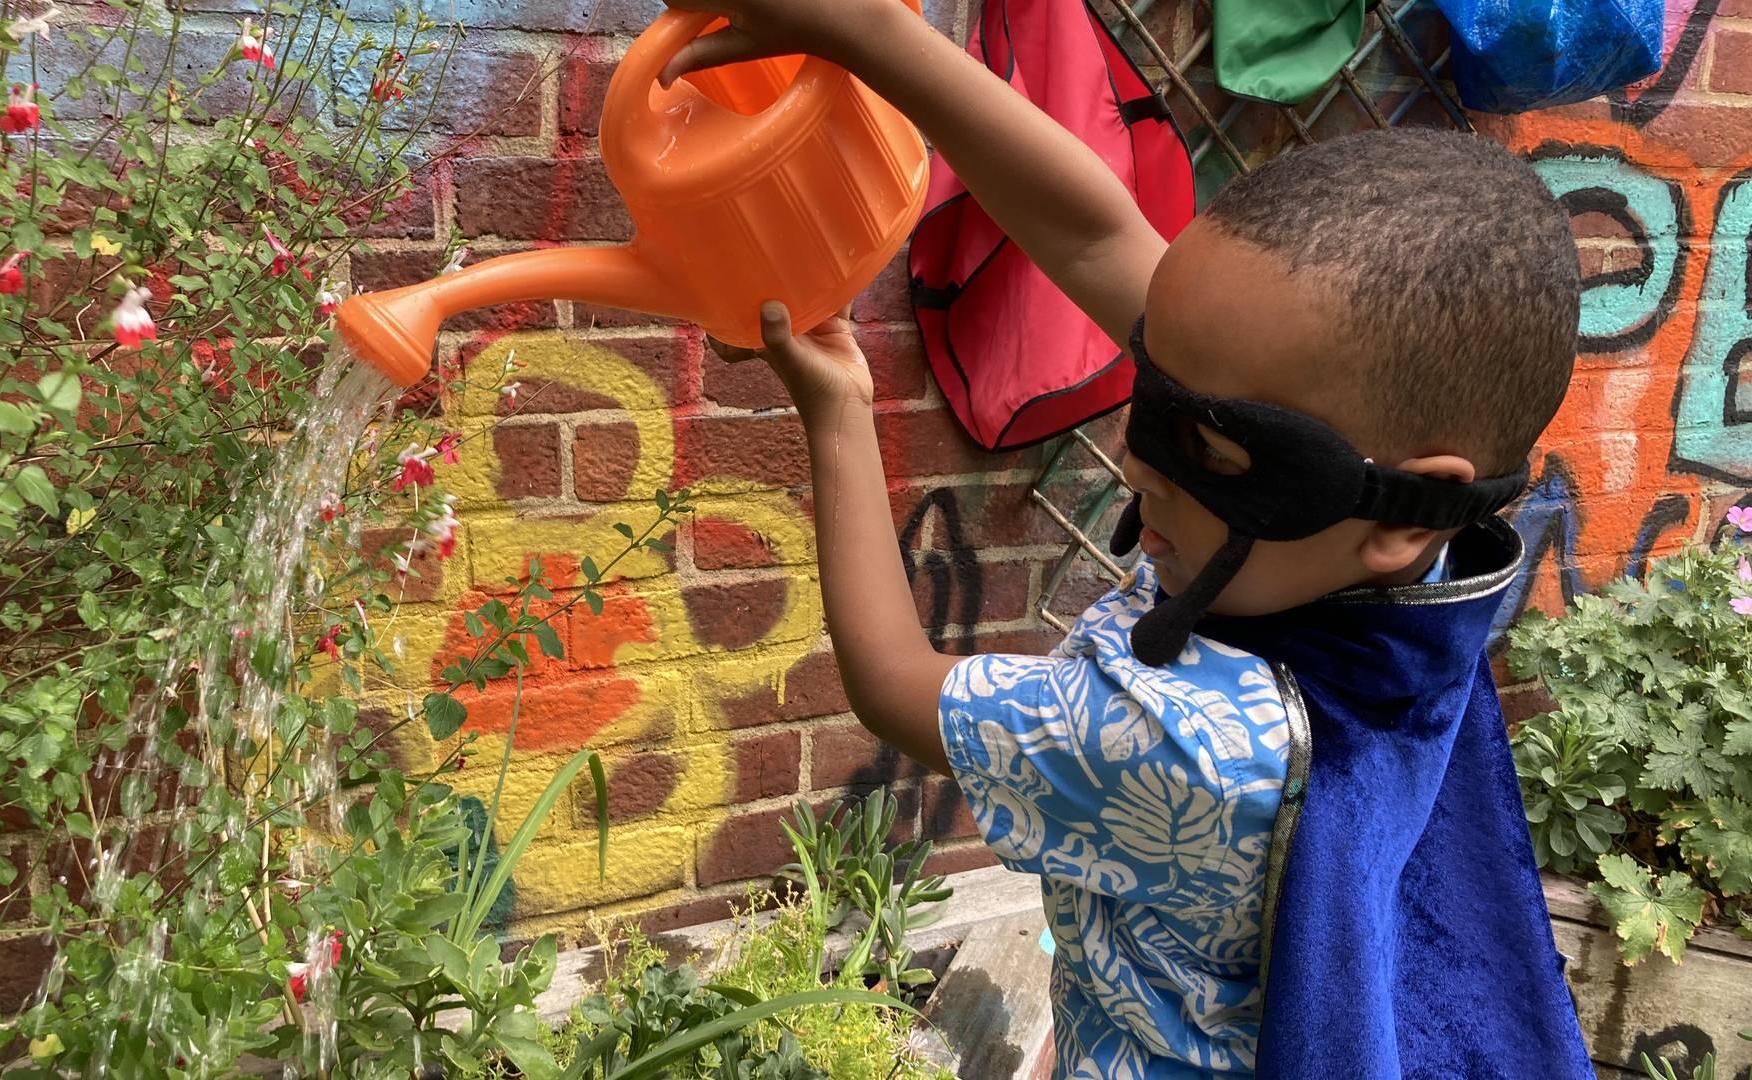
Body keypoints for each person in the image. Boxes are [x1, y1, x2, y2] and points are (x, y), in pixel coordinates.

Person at [665, 1, 1593, 1075]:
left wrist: (835, 407)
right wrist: (872, 33)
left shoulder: (1181, 742)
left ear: (1394, 507)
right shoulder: (1423, 581)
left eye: (1210, 447)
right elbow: (1093, 233)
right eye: (1151, 390)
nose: (1135, 459)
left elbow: (892, 679)